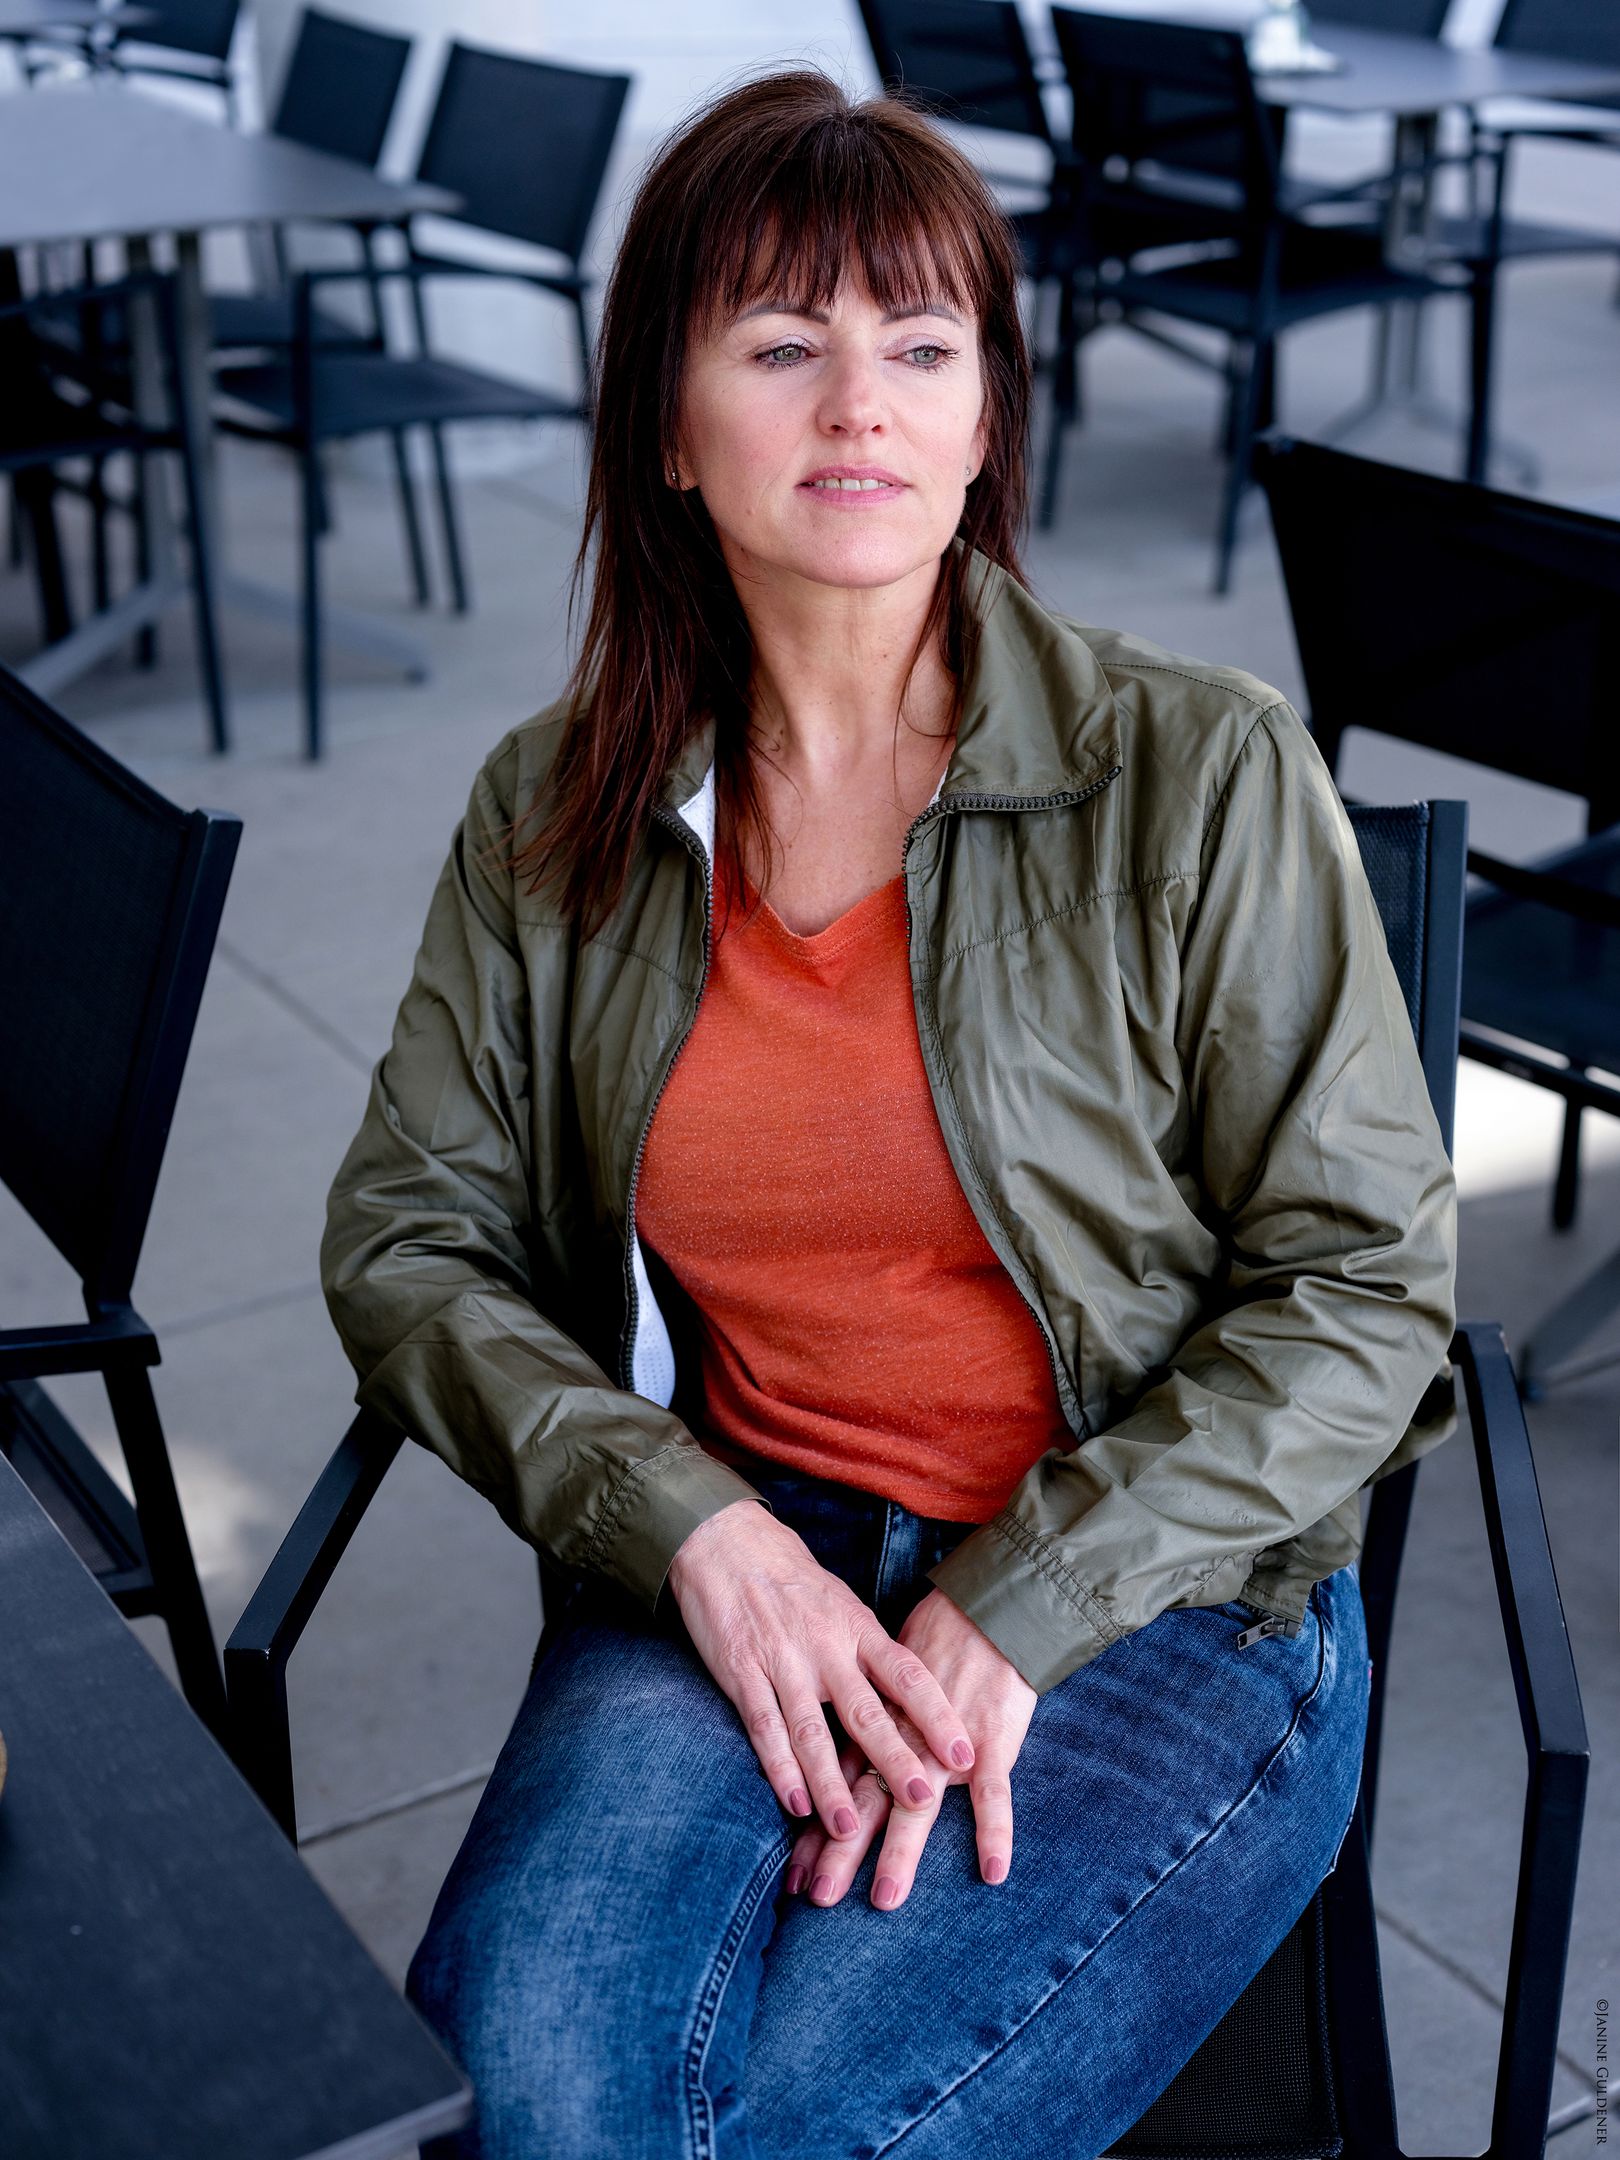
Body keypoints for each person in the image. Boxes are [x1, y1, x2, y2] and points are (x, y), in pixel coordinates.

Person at [318, 65, 1459, 2160]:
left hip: (1156, 1597)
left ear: (987, 415)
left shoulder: (1198, 772)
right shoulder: (556, 811)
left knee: (786, 2130)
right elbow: (409, 1239)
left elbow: (1365, 1289)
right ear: (669, 429)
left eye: (923, 347)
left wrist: (1024, 1599)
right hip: (749, 1546)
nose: (861, 403)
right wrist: (693, 1529)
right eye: (781, 344)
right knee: (534, 2078)